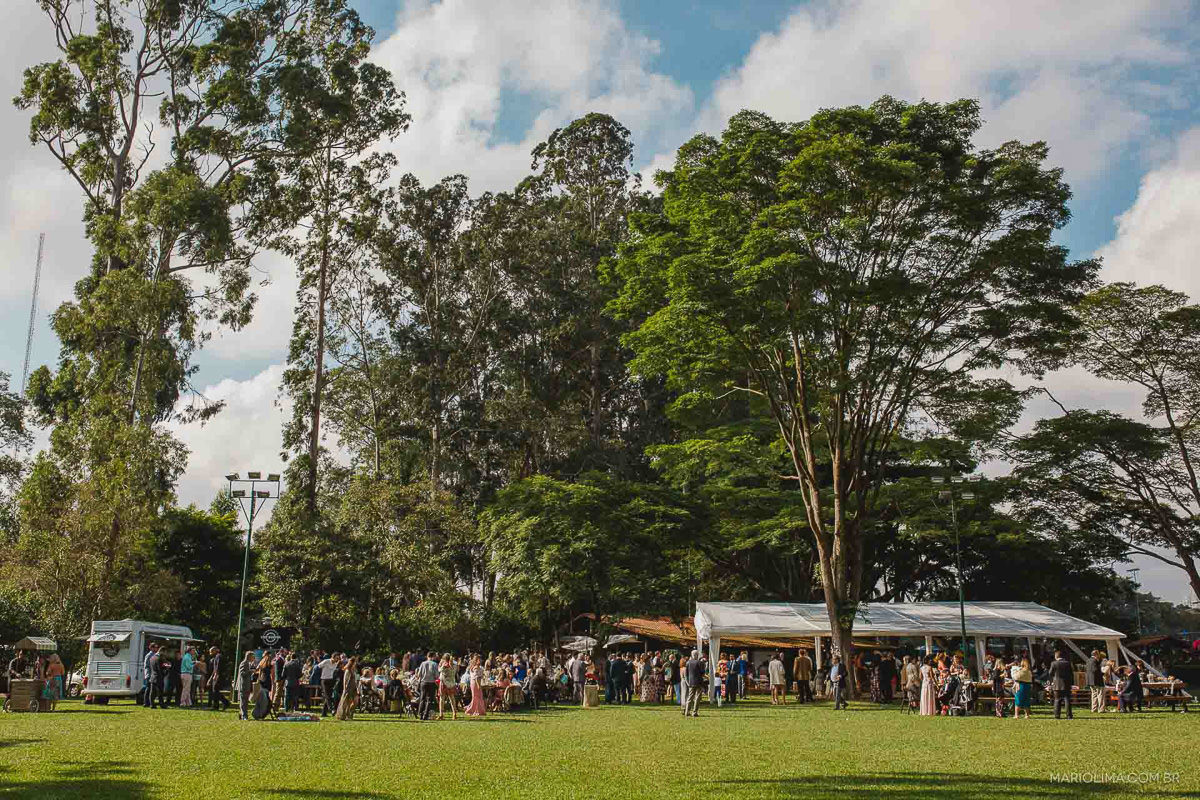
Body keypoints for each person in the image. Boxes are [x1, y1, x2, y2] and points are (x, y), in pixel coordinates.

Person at [1048, 649, 1073, 719]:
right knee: (1067, 700)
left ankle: (1057, 715)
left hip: (1057, 684)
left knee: (1057, 700)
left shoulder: (1053, 663)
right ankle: (1069, 715)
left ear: (1056, 656)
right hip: (1066, 683)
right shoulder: (1068, 663)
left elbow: (1050, 673)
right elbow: (1071, 674)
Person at [416, 650, 439, 720]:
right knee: (429, 699)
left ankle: (420, 713)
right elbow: (437, 676)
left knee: (422, 698)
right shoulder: (434, 664)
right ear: (432, 656)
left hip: (423, 682)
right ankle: (426, 714)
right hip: (431, 683)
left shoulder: (423, 663)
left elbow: (419, 674)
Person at [437, 653, 460, 720]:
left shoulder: (444, 665)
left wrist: (440, 665)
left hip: (444, 682)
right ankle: (454, 714)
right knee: (452, 698)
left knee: (442, 699)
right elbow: (456, 671)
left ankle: (441, 714)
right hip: (452, 682)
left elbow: (439, 670)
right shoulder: (455, 665)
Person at [234, 651, 255, 720]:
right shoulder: (244, 663)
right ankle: (244, 715)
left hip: (247, 685)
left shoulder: (249, 663)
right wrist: (250, 671)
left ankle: (242, 714)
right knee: (243, 701)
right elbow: (242, 673)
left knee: (245, 701)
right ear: (249, 656)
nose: (253, 658)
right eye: (252, 656)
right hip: (243, 685)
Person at [208, 647, 230, 711]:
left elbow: (218, 667)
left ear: (215, 651)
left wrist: (216, 675)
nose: (210, 653)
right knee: (215, 691)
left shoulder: (218, 656)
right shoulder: (216, 657)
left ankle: (225, 703)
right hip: (217, 675)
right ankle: (217, 705)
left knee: (215, 691)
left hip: (219, 676)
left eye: (211, 651)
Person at [683, 650, 704, 717]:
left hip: (691, 682)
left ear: (692, 655)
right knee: (697, 697)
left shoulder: (688, 662)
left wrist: (687, 682)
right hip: (699, 682)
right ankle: (694, 712)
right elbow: (702, 673)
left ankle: (687, 711)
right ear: (697, 655)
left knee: (690, 697)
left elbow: (686, 674)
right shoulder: (700, 662)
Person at [253, 653, 273, 720]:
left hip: (262, 681)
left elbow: (256, 670)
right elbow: (272, 674)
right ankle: (262, 712)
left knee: (261, 698)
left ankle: (258, 712)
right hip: (267, 682)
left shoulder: (261, 663)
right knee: (265, 699)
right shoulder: (270, 664)